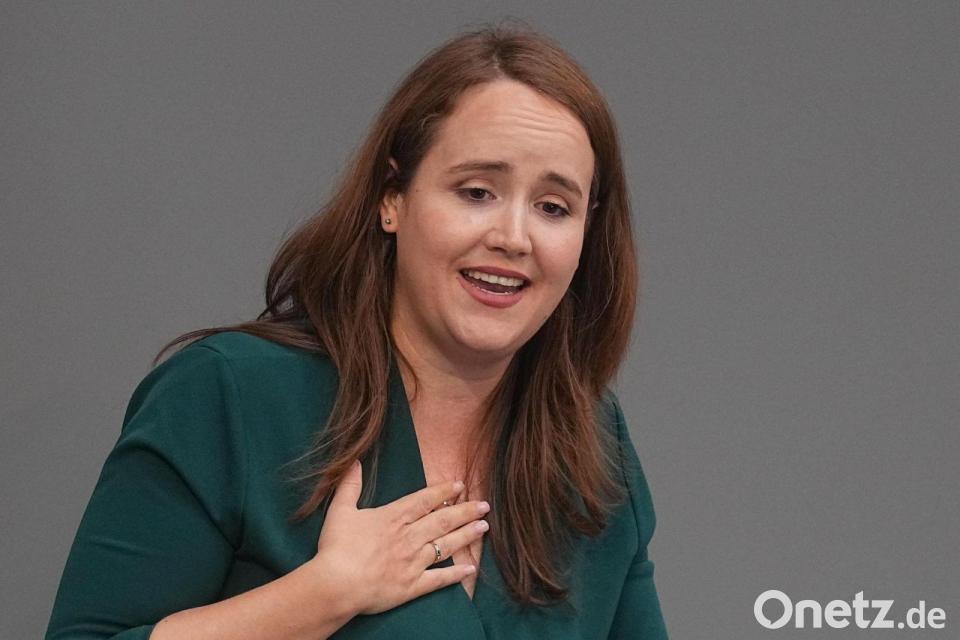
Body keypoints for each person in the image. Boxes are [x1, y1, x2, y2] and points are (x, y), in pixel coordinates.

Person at [45, 21, 669, 640]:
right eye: (477, 192)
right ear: (392, 197)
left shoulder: (593, 446)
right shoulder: (227, 395)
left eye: (553, 207)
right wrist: (323, 596)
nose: (513, 237)